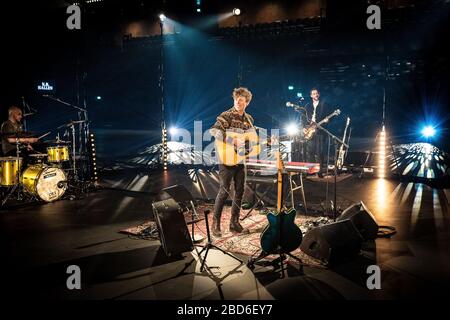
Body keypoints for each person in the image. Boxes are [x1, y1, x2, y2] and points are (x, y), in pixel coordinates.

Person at [210, 87, 255, 237]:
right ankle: (215, 224)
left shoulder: (249, 119)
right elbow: (214, 131)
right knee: (224, 191)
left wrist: (268, 142)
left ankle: (234, 223)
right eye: (236, 99)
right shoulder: (226, 115)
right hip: (226, 159)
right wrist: (232, 140)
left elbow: (250, 141)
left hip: (240, 160)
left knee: (240, 191)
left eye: (241, 100)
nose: (238, 101)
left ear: (246, 102)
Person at [302, 87, 329, 175]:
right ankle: (311, 171)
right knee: (310, 152)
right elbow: (303, 118)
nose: (315, 95)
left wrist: (327, 120)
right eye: (313, 94)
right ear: (311, 96)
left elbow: (329, 116)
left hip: (320, 131)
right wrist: (304, 128)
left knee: (320, 152)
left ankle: (320, 171)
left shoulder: (324, 105)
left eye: (317, 93)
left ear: (319, 94)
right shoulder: (307, 106)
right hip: (310, 131)